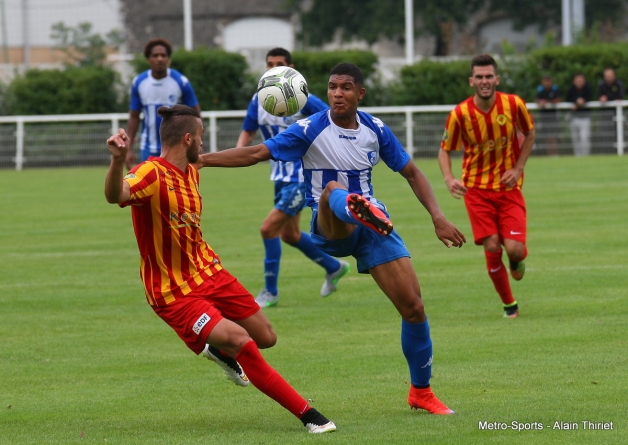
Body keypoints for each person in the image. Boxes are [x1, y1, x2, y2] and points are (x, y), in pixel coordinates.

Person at [197, 63, 466, 415]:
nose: (338, 93)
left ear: (360, 94)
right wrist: (200, 160)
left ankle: (421, 392)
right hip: (329, 226)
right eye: (333, 87)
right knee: (332, 190)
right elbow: (256, 152)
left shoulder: (376, 129)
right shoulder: (309, 128)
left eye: (346, 87)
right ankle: (352, 206)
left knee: (414, 308)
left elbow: (412, 173)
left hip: (373, 230)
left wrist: (439, 217)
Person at [104, 104, 336, 434]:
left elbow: (238, 158)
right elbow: (117, 195)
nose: (204, 142)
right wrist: (116, 160)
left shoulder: (193, 170)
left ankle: (216, 349)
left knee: (266, 337)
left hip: (210, 272)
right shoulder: (150, 173)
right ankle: (310, 416)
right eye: (201, 137)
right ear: (188, 139)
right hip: (173, 292)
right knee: (243, 342)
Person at [238, 48, 349, 307]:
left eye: (279, 64)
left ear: (291, 69)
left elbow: (334, 119)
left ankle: (270, 292)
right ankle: (334, 267)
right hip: (279, 178)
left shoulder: (303, 98)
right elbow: (247, 133)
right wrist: (237, 157)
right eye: (269, 64)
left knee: (268, 229)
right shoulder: (259, 100)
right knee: (289, 235)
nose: (273, 68)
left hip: (302, 177)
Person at [438, 54, 535, 319]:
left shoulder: (514, 105)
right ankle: (509, 306)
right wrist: (449, 178)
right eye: (479, 77)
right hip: (477, 191)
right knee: (492, 246)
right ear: (472, 81)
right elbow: (444, 150)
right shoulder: (460, 114)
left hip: (508, 189)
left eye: (488, 76)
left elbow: (529, 133)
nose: (484, 81)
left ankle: (516, 259)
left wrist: (518, 169)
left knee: (514, 248)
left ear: (497, 79)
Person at [125, 38, 201, 169]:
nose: (159, 59)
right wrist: (129, 148)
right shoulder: (139, 82)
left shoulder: (181, 82)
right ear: (148, 59)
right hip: (148, 147)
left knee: (175, 187)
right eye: (155, 55)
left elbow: (195, 114)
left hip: (177, 147)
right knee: (149, 187)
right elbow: (134, 116)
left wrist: (197, 142)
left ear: (168, 59)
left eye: (163, 55)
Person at [566, 73, 593, 156]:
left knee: (584, 138)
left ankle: (585, 155)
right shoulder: (571, 90)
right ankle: (577, 155)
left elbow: (589, 97)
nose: (579, 82)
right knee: (575, 138)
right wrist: (576, 102)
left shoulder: (588, 89)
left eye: (581, 80)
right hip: (574, 117)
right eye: (577, 80)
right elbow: (568, 99)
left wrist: (582, 101)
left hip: (585, 117)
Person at [535, 75, 561, 156]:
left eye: (548, 81)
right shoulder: (541, 91)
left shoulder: (555, 90)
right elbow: (537, 100)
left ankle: (555, 154)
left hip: (553, 117)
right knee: (547, 137)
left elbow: (558, 99)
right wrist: (540, 102)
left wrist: (548, 102)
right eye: (545, 81)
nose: (547, 83)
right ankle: (549, 154)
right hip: (544, 118)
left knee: (553, 137)